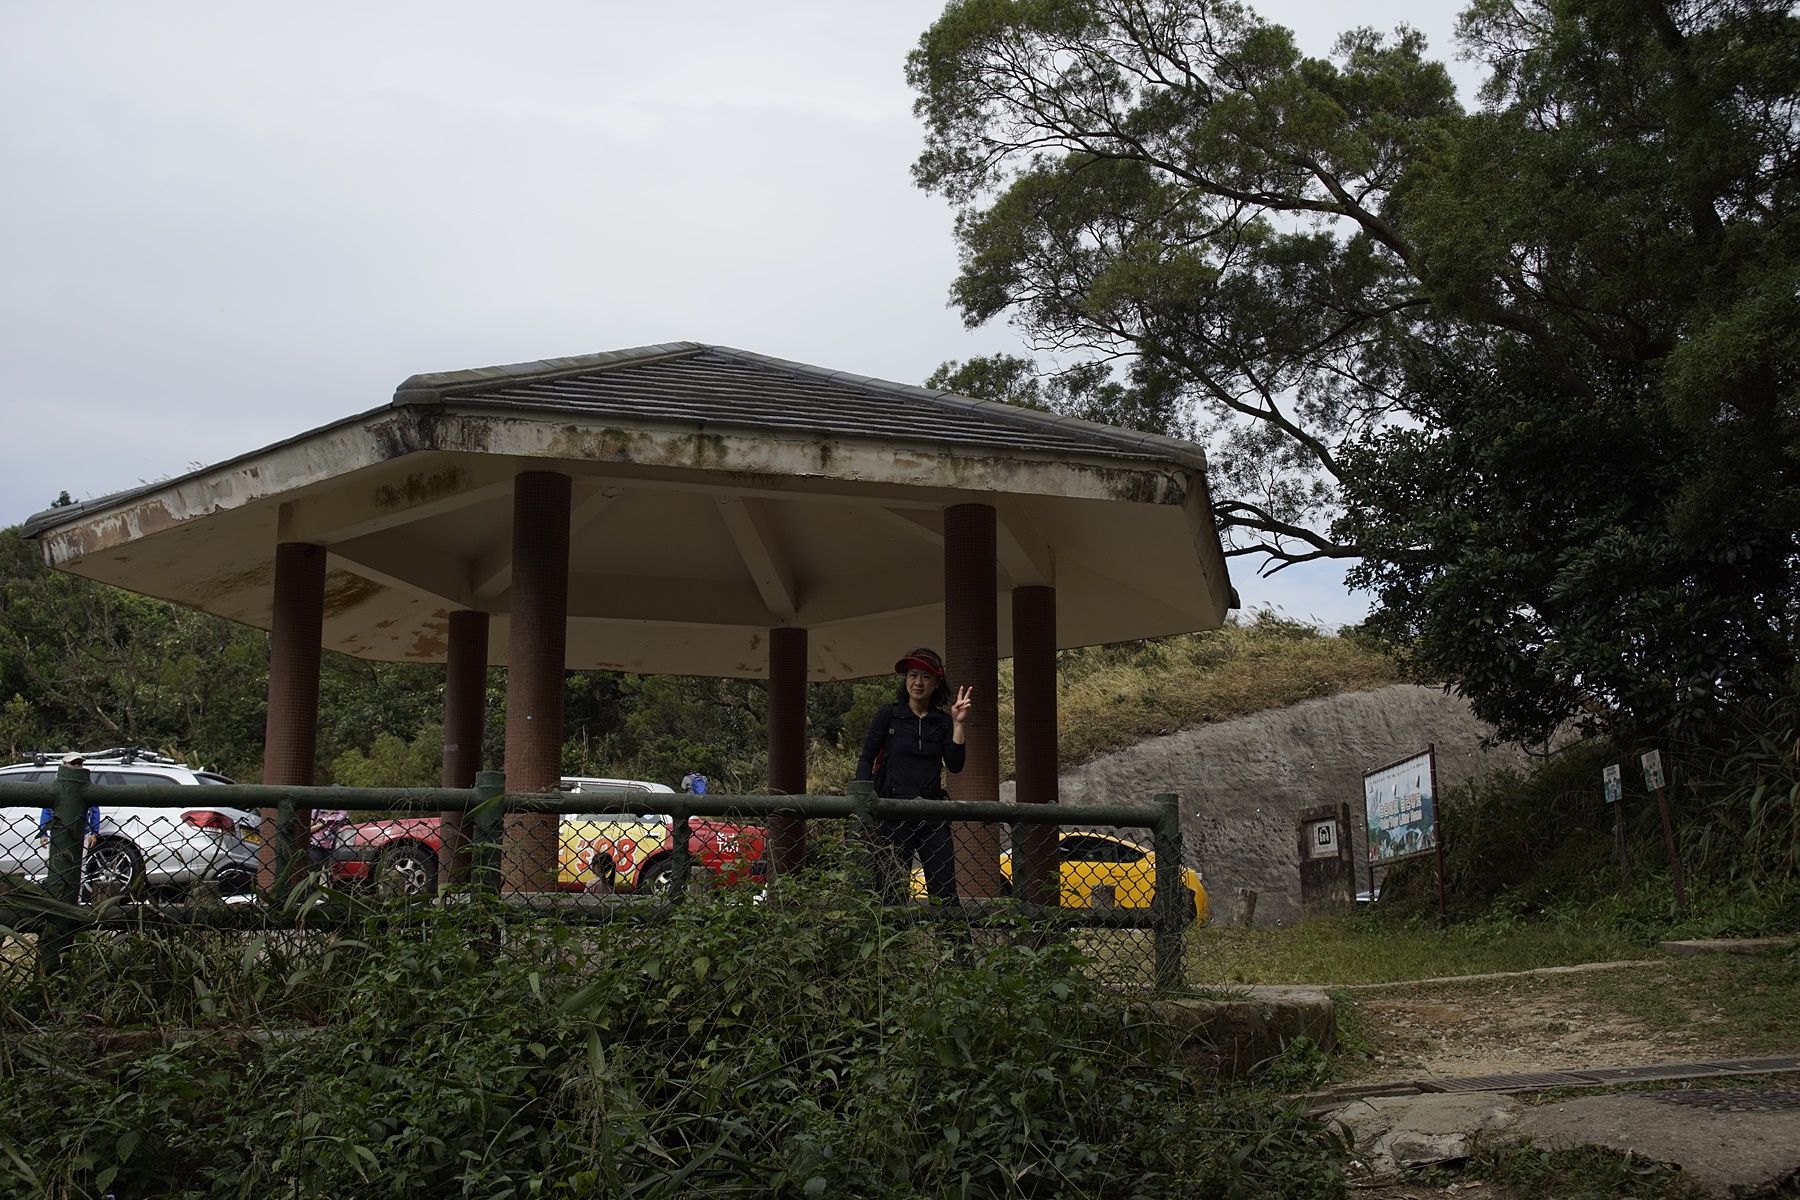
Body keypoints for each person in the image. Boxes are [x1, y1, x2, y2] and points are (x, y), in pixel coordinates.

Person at [853, 647, 974, 902]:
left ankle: (949, 930)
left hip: (932, 811)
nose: (918, 682)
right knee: (891, 891)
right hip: (893, 810)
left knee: (945, 893)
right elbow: (866, 757)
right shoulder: (889, 715)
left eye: (926, 677)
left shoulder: (942, 721)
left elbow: (955, 765)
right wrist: (862, 802)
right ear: (905, 679)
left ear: (937, 682)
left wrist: (958, 724)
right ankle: (896, 931)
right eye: (912, 675)